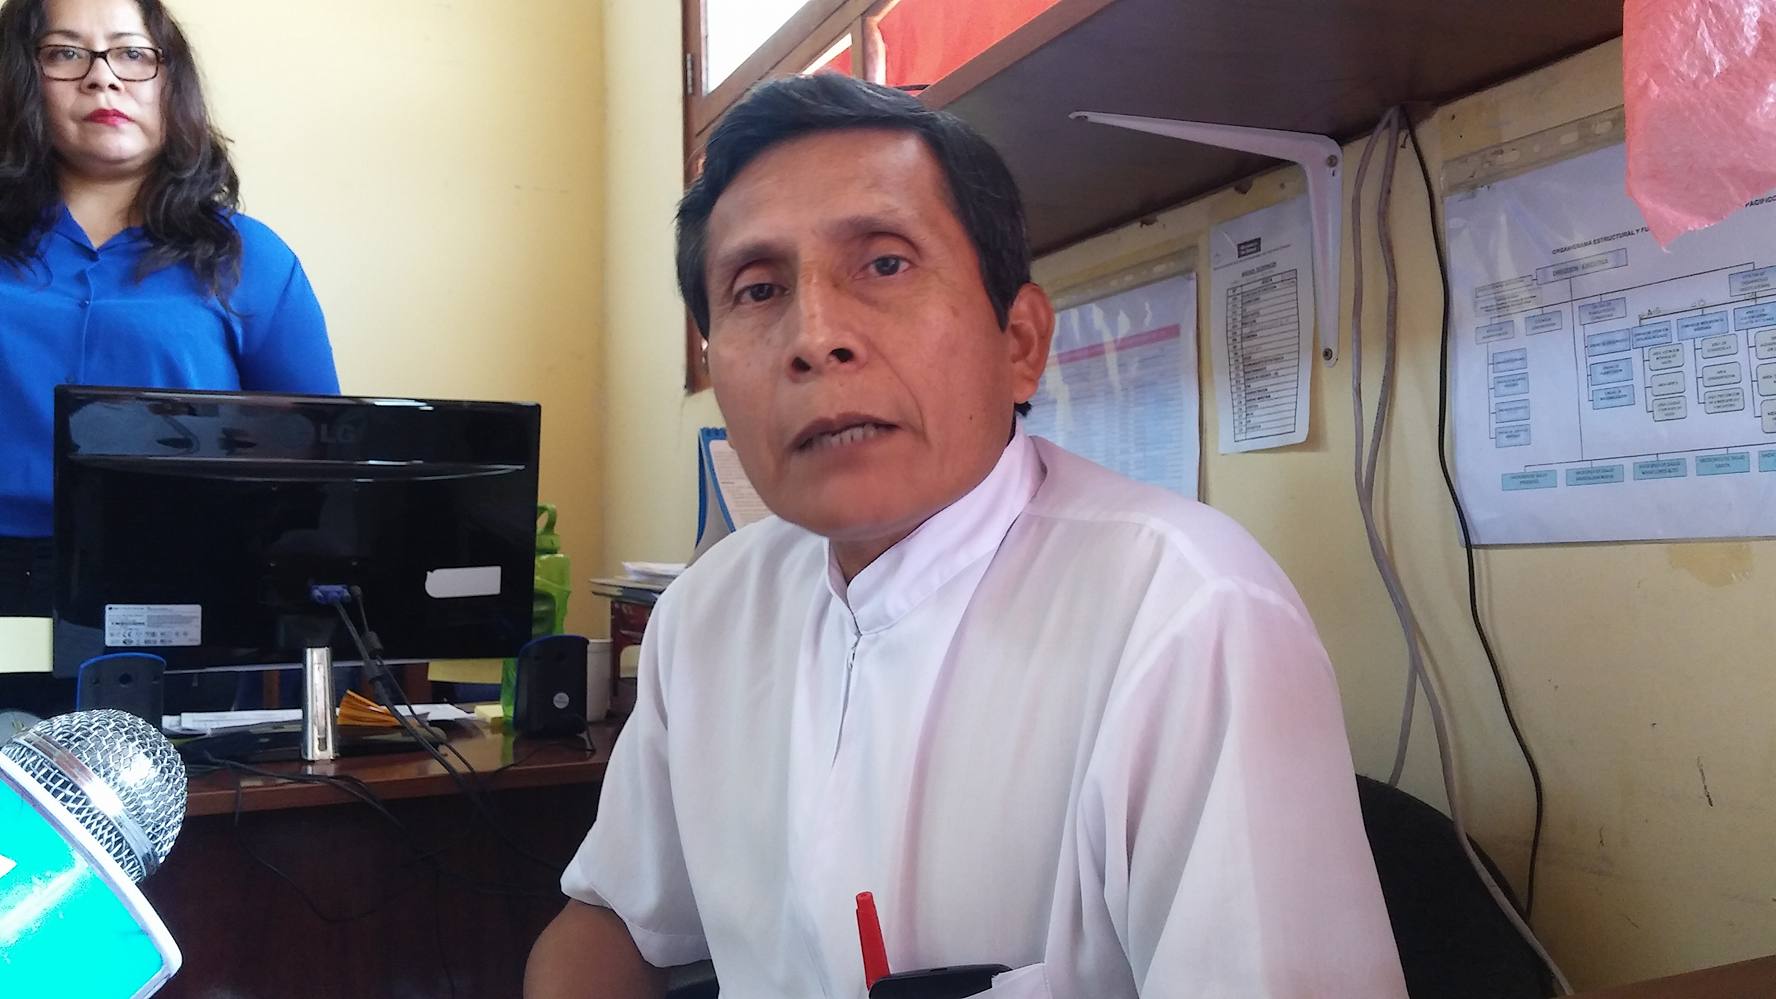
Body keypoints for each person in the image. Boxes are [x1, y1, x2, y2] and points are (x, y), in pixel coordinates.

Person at [527, 74, 1406, 998]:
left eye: (884, 264)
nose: (814, 337)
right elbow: (614, 920)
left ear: (1019, 342)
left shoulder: (1189, 617)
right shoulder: (707, 611)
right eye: (758, 289)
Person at [0, 0, 338, 715]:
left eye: (132, 53)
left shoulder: (250, 258)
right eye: (65, 53)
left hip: (182, 597)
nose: (103, 78)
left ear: (169, 80)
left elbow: (317, 465)